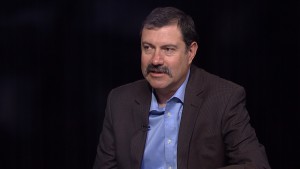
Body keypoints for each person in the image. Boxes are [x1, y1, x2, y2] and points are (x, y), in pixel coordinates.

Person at [93, 6, 271, 169]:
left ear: (190, 52)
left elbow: (255, 165)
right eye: (148, 48)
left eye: (168, 49)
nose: (156, 60)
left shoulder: (224, 98)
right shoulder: (119, 101)